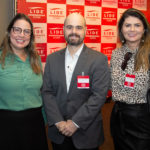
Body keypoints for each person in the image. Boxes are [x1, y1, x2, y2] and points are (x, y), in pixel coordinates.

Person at [42, 13, 110, 150]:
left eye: (78, 27)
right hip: (58, 132)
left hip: (87, 133)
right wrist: (58, 121)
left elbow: (99, 96)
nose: (74, 32)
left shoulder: (99, 59)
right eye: (69, 27)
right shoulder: (52, 59)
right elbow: (47, 92)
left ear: (85, 30)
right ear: (63, 29)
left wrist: (75, 123)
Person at [0, 13, 48, 150]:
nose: (22, 35)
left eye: (27, 31)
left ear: (31, 37)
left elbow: (40, 92)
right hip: (6, 126)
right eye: (17, 30)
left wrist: (43, 119)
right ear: (9, 32)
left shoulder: (35, 59)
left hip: (35, 123)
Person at [110, 8, 150, 150]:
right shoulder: (116, 54)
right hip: (118, 117)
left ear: (144, 29)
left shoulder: (148, 54)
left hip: (142, 121)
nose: (132, 29)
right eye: (127, 25)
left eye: (137, 25)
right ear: (121, 30)